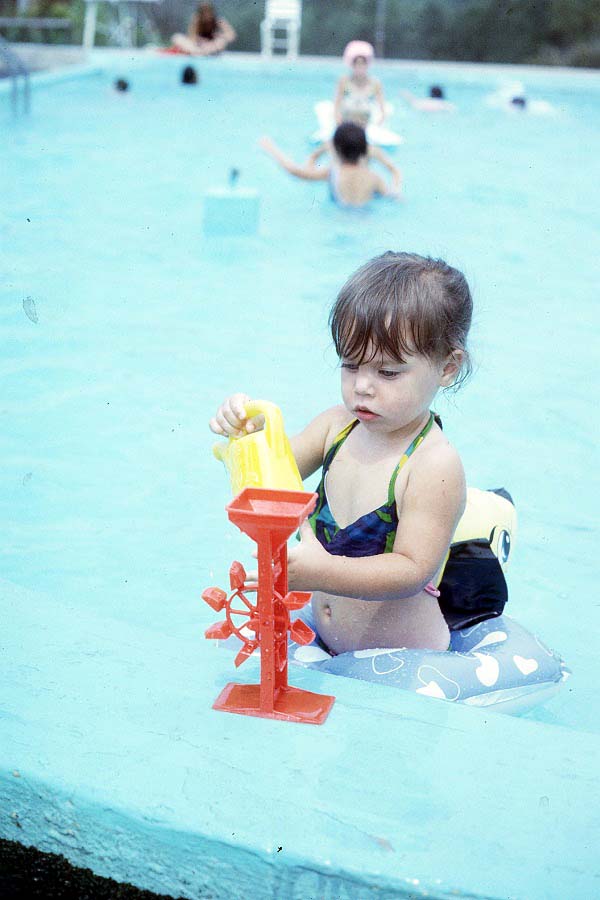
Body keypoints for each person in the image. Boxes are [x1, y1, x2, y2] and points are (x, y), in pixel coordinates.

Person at [209, 251, 472, 654]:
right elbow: (269, 482)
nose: (362, 386)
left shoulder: (433, 464)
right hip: (323, 640)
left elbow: (411, 570)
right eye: (350, 365)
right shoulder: (336, 427)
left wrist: (323, 572)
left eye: (387, 372)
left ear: (447, 368)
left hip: (401, 659)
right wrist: (247, 433)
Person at [259, 123, 401, 208]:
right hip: (366, 219)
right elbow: (392, 197)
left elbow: (294, 171)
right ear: (365, 150)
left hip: (339, 218)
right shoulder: (374, 178)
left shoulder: (332, 173)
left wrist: (271, 148)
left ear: (336, 150)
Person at [334, 40, 386, 128]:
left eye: (362, 63)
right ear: (352, 64)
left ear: (367, 64)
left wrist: (378, 124)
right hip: (346, 123)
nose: (360, 66)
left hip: (366, 124)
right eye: (357, 63)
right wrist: (339, 123)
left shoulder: (375, 83)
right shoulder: (344, 81)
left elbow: (382, 109)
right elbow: (336, 105)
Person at [171, 3, 236, 56]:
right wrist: (200, 41)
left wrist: (219, 35)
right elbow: (192, 38)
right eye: (204, 12)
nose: (207, 15)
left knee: (221, 42)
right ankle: (199, 52)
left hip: (213, 45)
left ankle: (202, 52)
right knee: (177, 37)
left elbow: (231, 36)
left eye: (208, 12)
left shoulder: (218, 21)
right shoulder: (196, 21)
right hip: (198, 47)